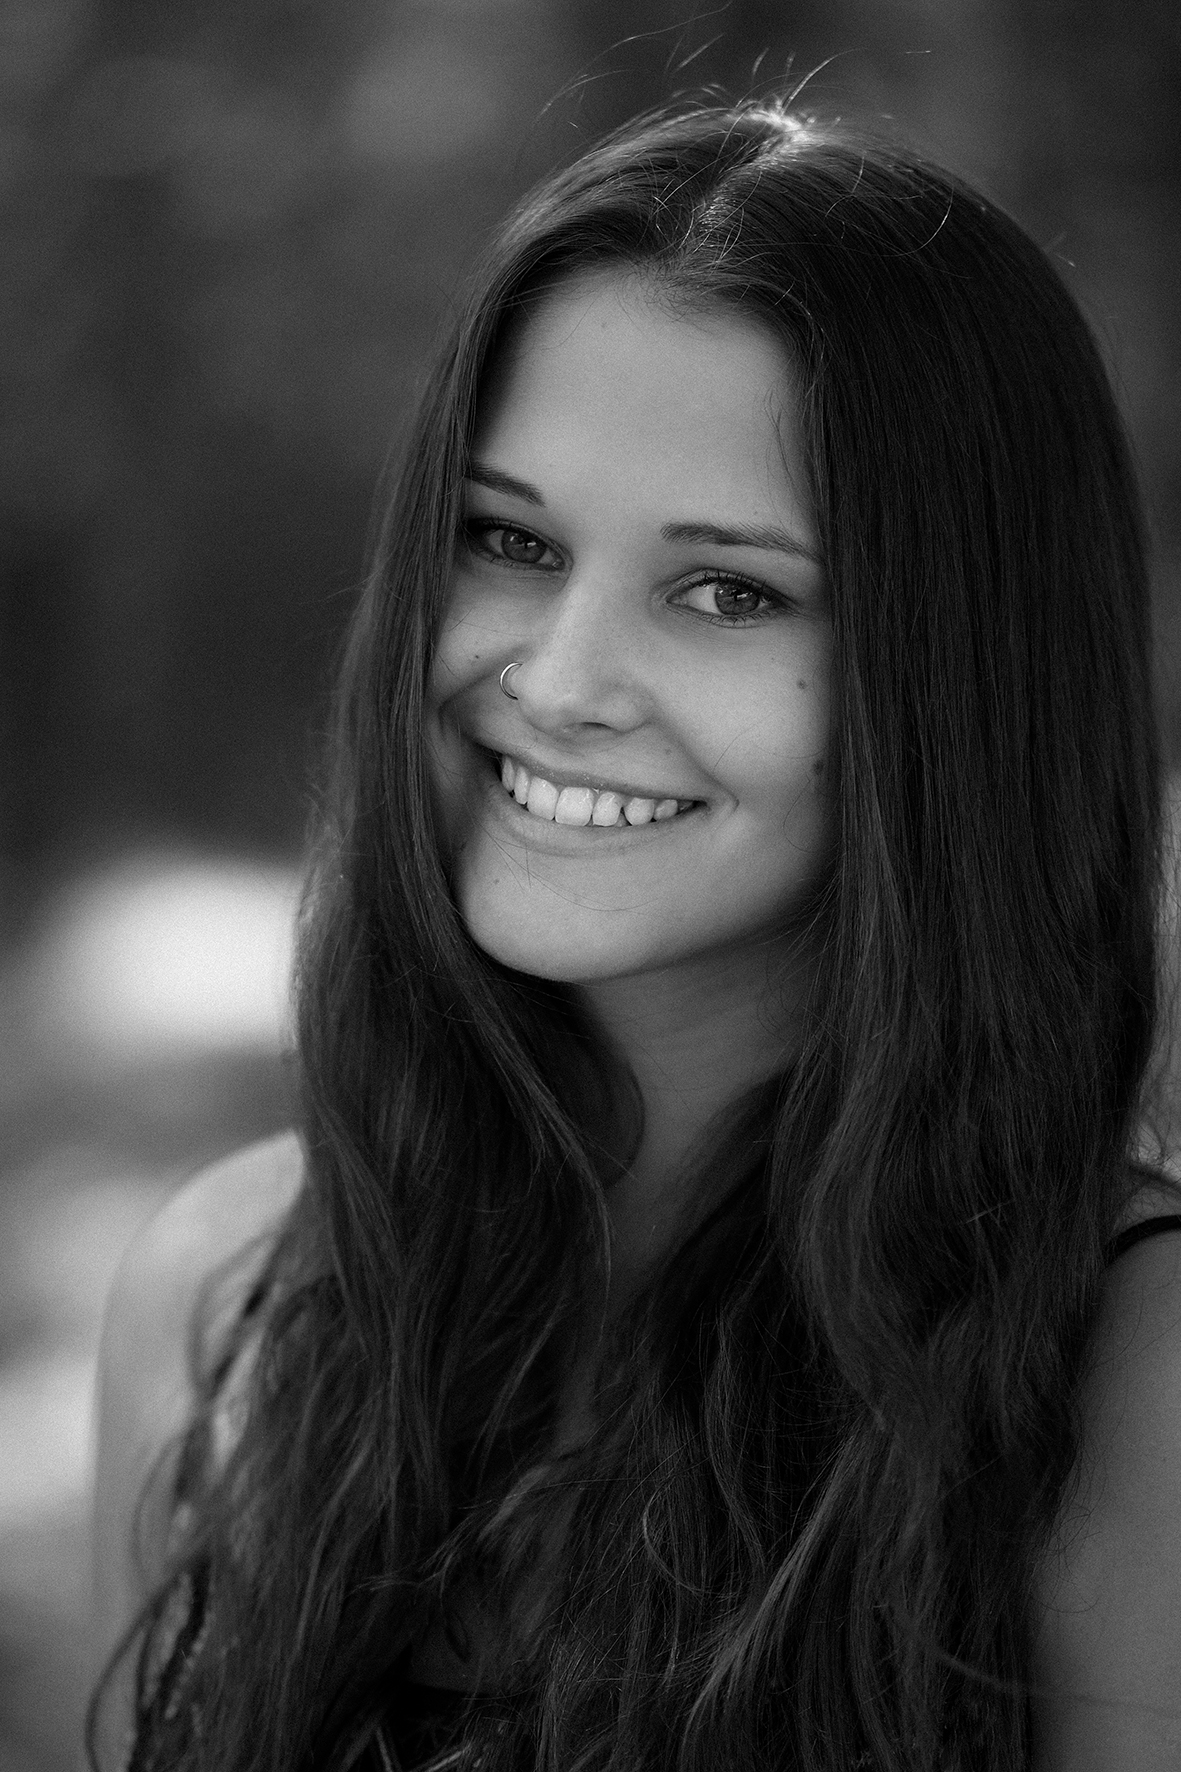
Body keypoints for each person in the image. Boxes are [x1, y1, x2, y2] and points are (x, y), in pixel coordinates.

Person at [89, 97, 1181, 1772]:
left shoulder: (1132, 1380)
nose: (560, 681)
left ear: (962, 678)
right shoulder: (225, 1298)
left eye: (728, 590)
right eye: (509, 542)